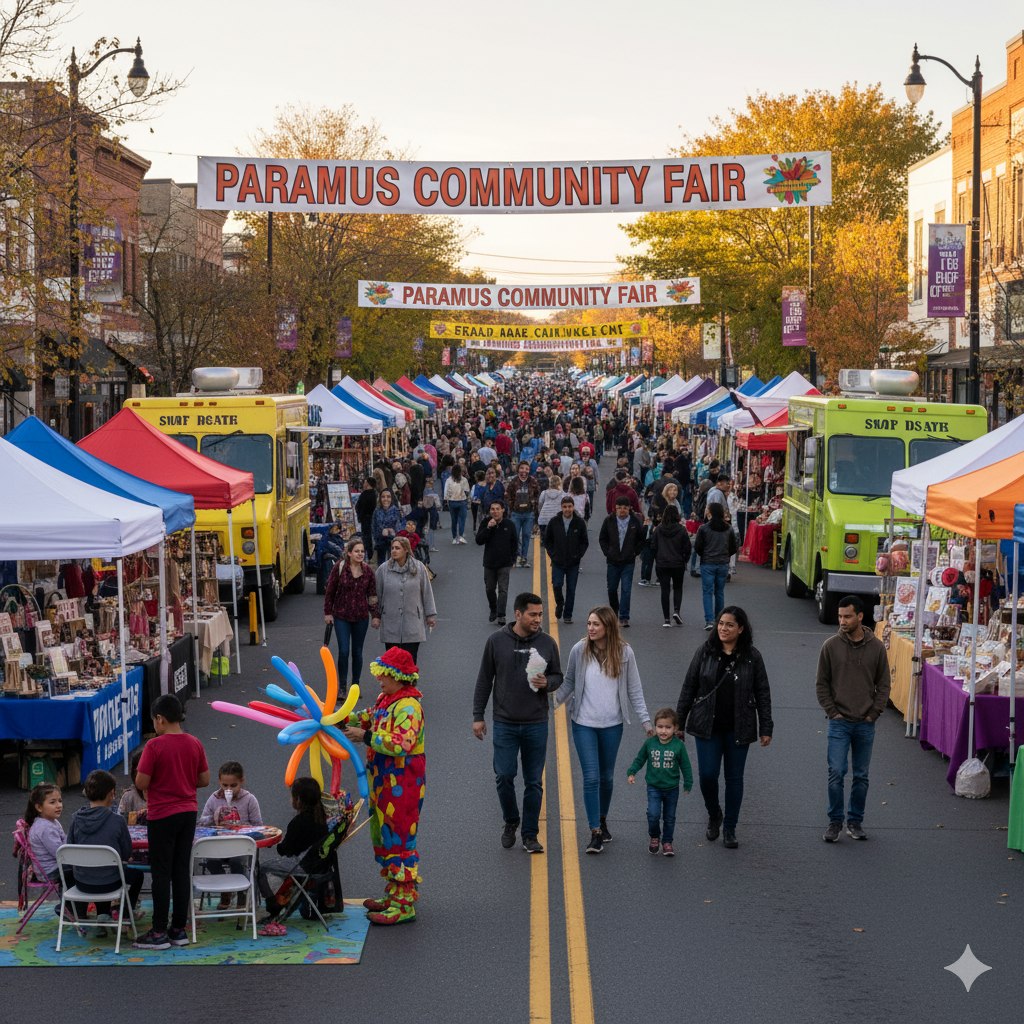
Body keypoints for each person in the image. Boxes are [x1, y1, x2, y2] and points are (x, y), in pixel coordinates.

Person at [555, 606, 653, 854]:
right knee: (591, 777)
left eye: (596, 624)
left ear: (608, 627)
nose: (590, 628)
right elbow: (568, 682)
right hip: (583, 723)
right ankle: (595, 832)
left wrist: (646, 722)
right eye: (589, 623)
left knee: (606, 778)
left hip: (612, 725)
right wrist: (547, 702)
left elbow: (634, 690)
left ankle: (602, 817)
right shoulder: (580, 649)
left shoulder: (624, 652)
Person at [676, 607, 773, 850]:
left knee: (734, 779)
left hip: (739, 728)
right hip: (706, 726)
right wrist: (679, 722)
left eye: (730, 625)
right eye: (721, 623)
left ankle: (730, 828)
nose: (723, 628)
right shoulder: (705, 652)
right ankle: (714, 813)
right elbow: (689, 686)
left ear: (741, 629)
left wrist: (766, 726)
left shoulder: (753, 656)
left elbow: (762, 692)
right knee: (707, 776)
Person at [341, 647, 425, 925]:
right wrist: (340, 718)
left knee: (399, 838)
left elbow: (401, 743)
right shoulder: (386, 700)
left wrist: (365, 736)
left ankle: (404, 905)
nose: (379, 681)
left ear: (398, 677)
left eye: (384, 676)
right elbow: (366, 716)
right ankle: (393, 893)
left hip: (403, 784)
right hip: (382, 782)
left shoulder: (409, 707)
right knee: (384, 836)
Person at [473, 592, 563, 854]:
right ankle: (511, 821)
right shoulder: (496, 641)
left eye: (540, 614)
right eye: (533, 614)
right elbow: (484, 680)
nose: (538, 619)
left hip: (536, 722)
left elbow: (558, 675)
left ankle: (530, 833)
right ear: (518, 614)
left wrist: (549, 683)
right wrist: (478, 716)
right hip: (505, 722)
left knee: (534, 781)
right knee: (504, 775)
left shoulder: (547, 643)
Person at [133, 694, 210, 949]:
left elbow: (141, 783)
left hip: (161, 815)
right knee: (180, 871)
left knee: (161, 873)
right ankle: (178, 929)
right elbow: (204, 779)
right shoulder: (195, 743)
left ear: (160, 719)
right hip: (188, 813)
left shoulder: (154, 747)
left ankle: (157, 931)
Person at [816, 595, 890, 843]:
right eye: (840, 616)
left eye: (847, 616)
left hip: (865, 723)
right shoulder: (830, 646)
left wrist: (873, 714)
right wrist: (833, 712)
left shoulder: (877, 648)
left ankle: (855, 821)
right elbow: (821, 684)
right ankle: (835, 822)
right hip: (839, 722)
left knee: (861, 775)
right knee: (836, 772)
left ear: (860, 616)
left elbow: (884, 684)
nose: (842, 621)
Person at [66, 770, 145, 934]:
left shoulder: (75, 818)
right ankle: (124, 915)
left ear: (87, 794)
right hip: (110, 883)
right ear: (111, 793)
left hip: (82, 882)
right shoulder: (117, 821)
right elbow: (126, 853)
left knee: (98, 870)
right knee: (136, 875)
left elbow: (69, 851)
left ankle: (100, 913)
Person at [256, 777, 329, 936]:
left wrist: (277, 845)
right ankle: (282, 901)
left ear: (298, 799)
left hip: (303, 865)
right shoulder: (321, 817)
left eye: (291, 796)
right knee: (278, 866)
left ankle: (272, 905)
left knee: (260, 869)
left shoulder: (298, 822)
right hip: (321, 864)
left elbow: (285, 851)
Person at [627, 708, 692, 856]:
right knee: (653, 814)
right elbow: (640, 759)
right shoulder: (650, 743)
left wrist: (688, 783)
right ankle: (654, 836)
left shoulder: (678, 746)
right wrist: (631, 772)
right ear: (655, 727)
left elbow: (686, 766)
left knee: (669, 817)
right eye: (660, 727)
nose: (663, 731)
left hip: (672, 788)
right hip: (654, 787)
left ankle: (667, 842)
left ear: (675, 729)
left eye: (668, 727)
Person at [199, 760, 263, 911]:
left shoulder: (249, 800)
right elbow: (201, 822)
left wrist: (242, 826)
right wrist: (214, 817)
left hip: (239, 845)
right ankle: (225, 890)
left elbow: (259, 826)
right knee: (210, 862)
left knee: (237, 862)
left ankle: (241, 893)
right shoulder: (214, 798)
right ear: (219, 782)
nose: (229, 789)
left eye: (233, 786)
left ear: (242, 781)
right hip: (218, 845)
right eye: (225, 785)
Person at [324, 536, 378, 693]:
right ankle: (342, 687)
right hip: (341, 616)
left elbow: (372, 595)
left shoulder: (367, 571)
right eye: (356, 551)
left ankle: (355, 686)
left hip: (361, 617)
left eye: (362, 551)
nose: (360, 554)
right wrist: (328, 613)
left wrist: (375, 615)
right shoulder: (340, 568)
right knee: (344, 651)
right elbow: (330, 591)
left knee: (357, 652)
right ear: (348, 553)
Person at [373, 536, 436, 665]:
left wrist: (430, 615)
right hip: (390, 621)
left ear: (406, 550)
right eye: (392, 548)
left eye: (398, 548)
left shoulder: (419, 568)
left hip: (412, 621)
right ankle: (392, 685)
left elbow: (427, 592)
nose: (394, 551)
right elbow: (376, 594)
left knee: (410, 660)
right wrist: (376, 615)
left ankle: (410, 684)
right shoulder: (383, 570)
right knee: (392, 661)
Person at [598, 495, 645, 628]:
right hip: (613, 561)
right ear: (616, 508)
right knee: (612, 588)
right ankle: (614, 612)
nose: (622, 510)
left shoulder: (635, 522)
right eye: (619, 508)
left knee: (626, 589)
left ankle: (624, 617)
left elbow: (641, 539)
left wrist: (635, 552)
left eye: (625, 508)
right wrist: (608, 552)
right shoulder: (609, 520)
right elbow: (603, 538)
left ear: (629, 508)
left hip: (628, 561)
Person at [544, 495, 589, 625]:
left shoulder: (579, 522)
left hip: (573, 563)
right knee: (557, 585)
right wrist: (553, 554)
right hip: (558, 561)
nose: (567, 509)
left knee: (571, 589)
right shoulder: (554, 521)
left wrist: (578, 555)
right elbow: (547, 540)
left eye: (569, 506)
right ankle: (560, 603)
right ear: (561, 507)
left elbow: (584, 542)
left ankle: (568, 615)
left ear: (573, 507)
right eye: (565, 507)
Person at [477, 499, 519, 626]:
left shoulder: (509, 525)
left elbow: (515, 543)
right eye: (492, 509)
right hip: (489, 563)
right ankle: (493, 608)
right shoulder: (486, 523)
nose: (495, 511)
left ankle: (501, 615)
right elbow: (479, 540)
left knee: (503, 590)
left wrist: (513, 561)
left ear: (502, 510)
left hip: (504, 563)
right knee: (490, 588)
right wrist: (489, 528)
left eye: (497, 509)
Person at [694, 502, 737, 629]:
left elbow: (698, 547)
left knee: (707, 592)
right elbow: (733, 547)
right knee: (719, 592)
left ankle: (709, 620)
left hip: (708, 563)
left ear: (711, 513)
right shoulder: (728, 529)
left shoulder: (704, 529)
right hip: (723, 563)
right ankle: (719, 619)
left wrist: (705, 555)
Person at [651, 506, 692, 627]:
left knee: (665, 589)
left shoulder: (658, 530)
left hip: (662, 563)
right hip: (678, 563)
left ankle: (666, 619)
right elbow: (687, 547)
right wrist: (685, 559)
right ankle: (676, 610)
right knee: (678, 588)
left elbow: (653, 546)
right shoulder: (681, 530)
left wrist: (657, 558)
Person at [25, 782, 67, 898]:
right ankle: (69, 905)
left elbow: (63, 840)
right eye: (52, 802)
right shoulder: (45, 828)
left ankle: (71, 904)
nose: (58, 805)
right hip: (50, 872)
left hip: (53, 867)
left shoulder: (52, 821)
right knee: (81, 871)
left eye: (60, 800)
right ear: (39, 807)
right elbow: (60, 853)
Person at [508, 460, 540, 568]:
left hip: (529, 513)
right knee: (515, 536)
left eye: (526, 469)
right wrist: (512, 506)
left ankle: (524, 557)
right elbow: (507, 495)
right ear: (518, 469)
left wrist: (534, 504)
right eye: (522, 468)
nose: (524, 471)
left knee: (526, 535)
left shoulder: (533, 481)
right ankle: (516, 556)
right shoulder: (513, 481)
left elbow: (538, 494)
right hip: (516, 513)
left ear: (529, 470)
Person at [371, 488, 403, 565]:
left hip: (393, 542)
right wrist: (378, 536)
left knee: (393, 564)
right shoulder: (377, 511)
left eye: (388, 497)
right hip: (380, 542)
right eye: (383, 497)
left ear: (391, 498)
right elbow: (373, 527)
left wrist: (392, 531)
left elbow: (400, 527)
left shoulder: (395, 510)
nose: (385, 499)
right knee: (381, 565)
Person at [117, 751, 148, 824]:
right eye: (139, 773)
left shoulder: (164, 795)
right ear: (134, 775)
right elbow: (119, 821)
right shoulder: (129, 796)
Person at [444, 464, 471, 543]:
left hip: (452, 501)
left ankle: (454, 537)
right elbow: (466, 490)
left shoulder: (448, 480)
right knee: (462, 519)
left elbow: (446, 492)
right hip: (462, 500)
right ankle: (461, 536)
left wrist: (447, 500)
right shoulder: (464, 480)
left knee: (454, 520)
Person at [537, 474, 564, 546]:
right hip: (556, 519)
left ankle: (544, 541)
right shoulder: (562, 494)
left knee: (544, 536)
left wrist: (540, 512)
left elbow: (540, 504)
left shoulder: (544, 493)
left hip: (543, 518)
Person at [355, 479, 378, 550]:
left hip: (366, 519)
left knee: (366, 537)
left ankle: (368, 552)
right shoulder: (374, 494)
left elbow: (360, 506)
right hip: (369, 518)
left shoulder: (366, 494)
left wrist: (360, 515)